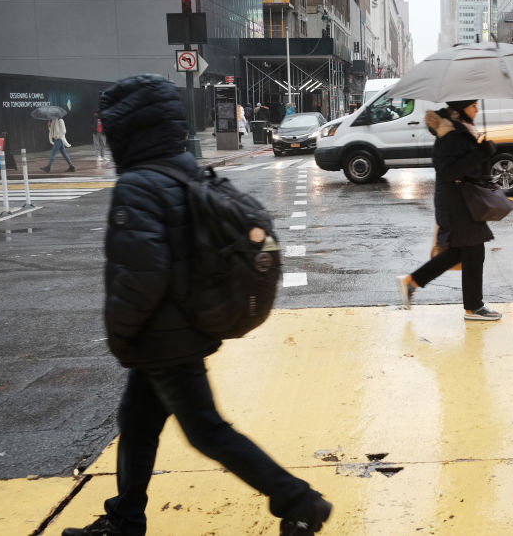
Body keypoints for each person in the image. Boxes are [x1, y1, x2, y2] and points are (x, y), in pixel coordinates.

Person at [61, 74, 331, 536]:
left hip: (164, 338)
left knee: (206, 430)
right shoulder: (185, 169)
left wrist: (120, 332)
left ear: (128, 131)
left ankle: (299, 501)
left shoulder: (138, 186)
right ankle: (125, 519)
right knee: (137, 425)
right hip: (179, 328)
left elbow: (141, 276)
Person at [397, 99, 502, 321]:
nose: (477, 108)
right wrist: (482, 152)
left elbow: (467, 167)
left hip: (463, 202)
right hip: (456, 204)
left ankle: (411, 283)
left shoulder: (460, 130)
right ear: (461, 107)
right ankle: (473, 308)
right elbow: (449, 172)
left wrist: (484, 151)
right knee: (473, 252)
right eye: (473, 105)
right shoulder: (450, 135)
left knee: (459, 252)